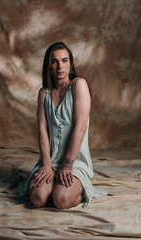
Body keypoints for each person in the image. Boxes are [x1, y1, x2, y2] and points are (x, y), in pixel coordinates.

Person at [18, 42, 107, 209]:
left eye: (65, 60)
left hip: (74, 161)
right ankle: (52, 182)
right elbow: (43, 130)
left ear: (70, 64)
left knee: (61, 199)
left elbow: (80, 127)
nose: (60, 66)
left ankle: (79, 192)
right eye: (54, 61)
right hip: (50, 160)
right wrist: (46, 164)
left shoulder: (78, 85)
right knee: (38, 198)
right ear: (48, 65)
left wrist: (67, 165)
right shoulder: (43, 93)